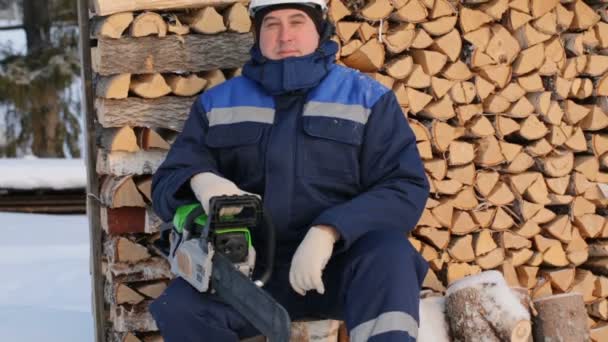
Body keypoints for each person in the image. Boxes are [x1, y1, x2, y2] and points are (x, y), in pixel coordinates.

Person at [149, 0, 430, 340]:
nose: (285, 36)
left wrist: (330, 231)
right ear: (256, 32)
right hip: (247, 274)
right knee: (178, 305)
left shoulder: (368, 100)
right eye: (272, 24)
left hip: (341, 268)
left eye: (297, 21)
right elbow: (168, 181)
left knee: (392, 256)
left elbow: (404, 188)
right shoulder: (217, 103)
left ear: (320, 26)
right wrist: (200, 180)